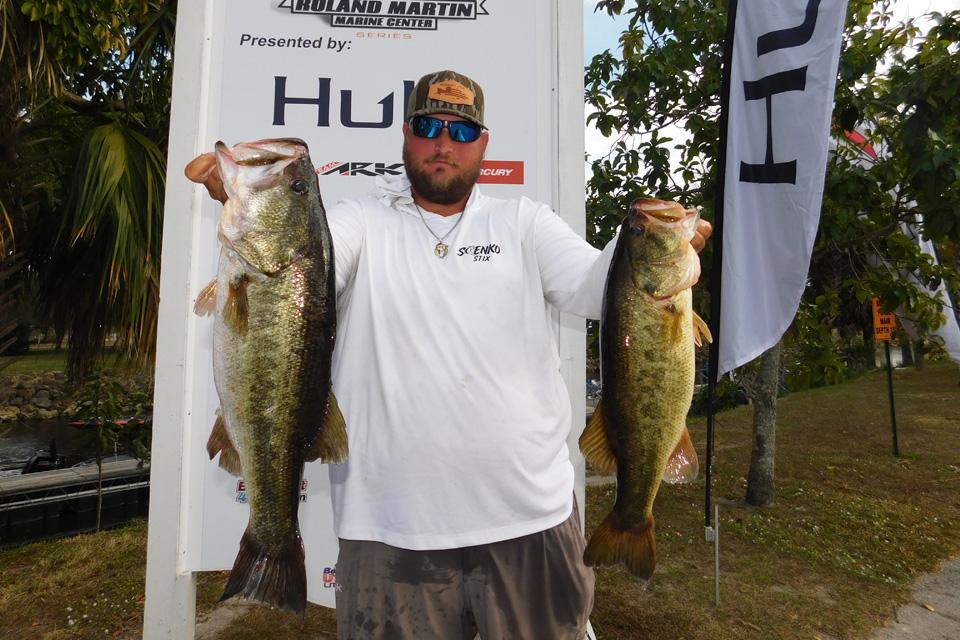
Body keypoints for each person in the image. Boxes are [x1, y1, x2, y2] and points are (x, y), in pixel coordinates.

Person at [187, 69, 711, 640]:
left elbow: (596, 288)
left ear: (483, 143)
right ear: (406, 135)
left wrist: (656, 243)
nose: (443, 143)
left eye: (460, 131)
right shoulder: (360, 221)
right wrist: (254, 208)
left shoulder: (524, 223)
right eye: (428, 127)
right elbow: (305, 268)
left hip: (530, 520)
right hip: (388, 532)